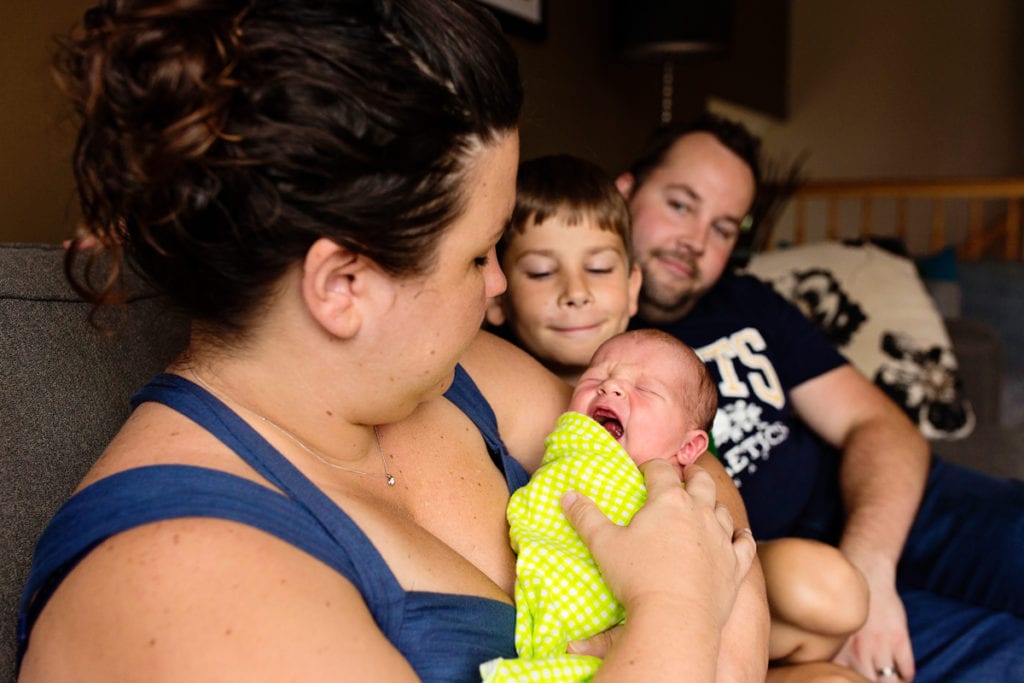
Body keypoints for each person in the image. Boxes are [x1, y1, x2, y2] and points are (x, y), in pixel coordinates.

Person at [14, 3, 758, 681]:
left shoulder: (458, 372)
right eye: (477, 255)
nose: (500, 288)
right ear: (343, 286)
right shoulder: (183, 597)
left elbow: (693, 468)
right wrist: (674, 608)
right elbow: (691, 554)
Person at [616, 112, 1024, 682]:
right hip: (798, 594)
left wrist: (870, 570)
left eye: (725, 228)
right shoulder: (583, 343)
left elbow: (878, 425)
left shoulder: (746, 301)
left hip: (892, 512)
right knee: (1008, 659)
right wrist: (847, 597)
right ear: (625, 190)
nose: (696, 241)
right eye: (681, 205)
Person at [489, 153, 870, 678]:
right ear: (496, 290)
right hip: (602, 612)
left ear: (632, 286)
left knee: (832, 587)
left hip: (705, 587)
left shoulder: (673, 370)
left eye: (598, 268)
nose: (575, 293)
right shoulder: (507, 395)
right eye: (540, 271)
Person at [481, 329, 718, 681]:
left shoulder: (680, 503)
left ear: (687, 448)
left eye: (645, 389)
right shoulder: (565, 456)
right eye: (596, 378)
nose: (611, 387)